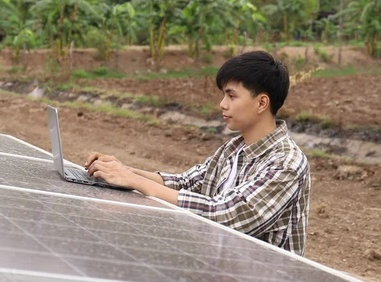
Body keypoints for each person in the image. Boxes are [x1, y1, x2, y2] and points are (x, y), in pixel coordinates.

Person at [84, 50, 311, 256]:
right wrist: (123, 171)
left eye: (231, 96)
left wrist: (134, 181)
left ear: (261, 103)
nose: (222, 104)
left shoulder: (287, 164)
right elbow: (186, 183)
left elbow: (224, 214)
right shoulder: (233, 149)